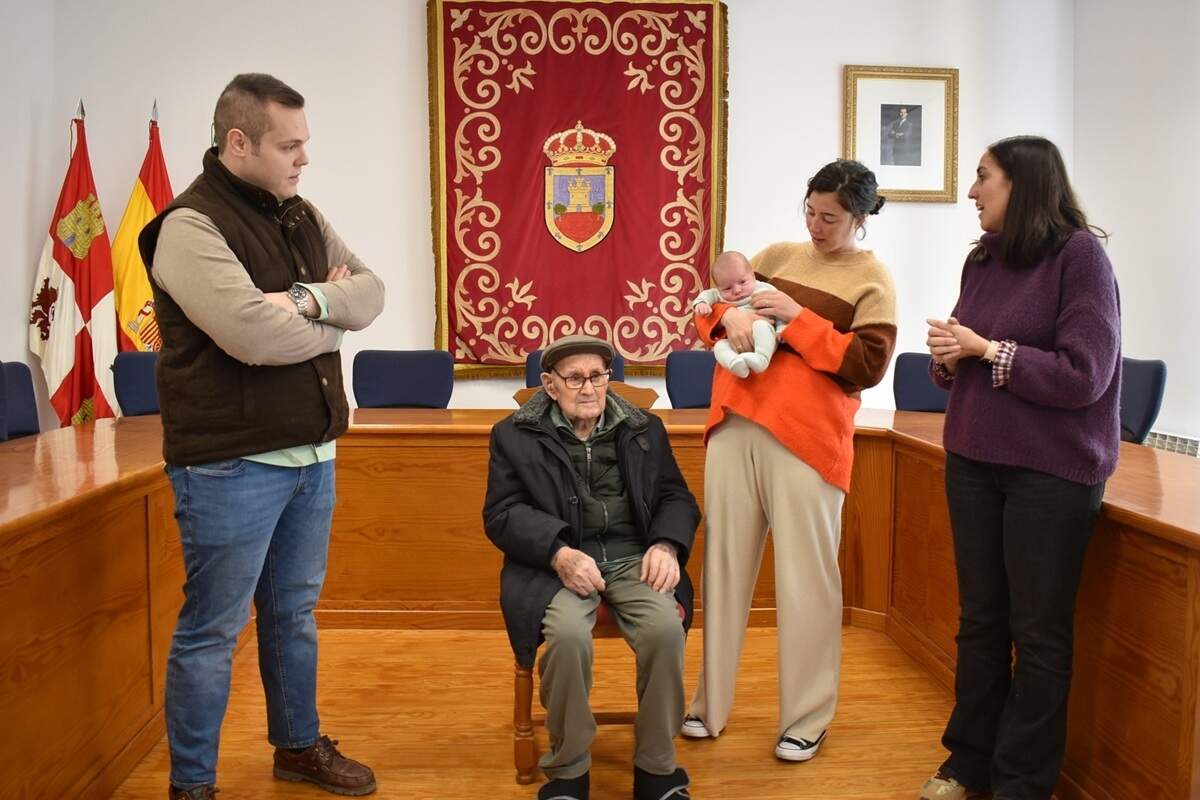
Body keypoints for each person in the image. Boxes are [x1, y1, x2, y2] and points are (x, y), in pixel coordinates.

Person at [138, 73, 385, 800]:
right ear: (239, 142)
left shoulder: (299, 211)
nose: (304, 158)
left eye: (305, 143)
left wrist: (304, 300)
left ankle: (297, 745)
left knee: (292, 617)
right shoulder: (189, 227)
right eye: (289, 145)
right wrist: (331, 318)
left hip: (311, 455)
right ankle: (192, 786)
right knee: (212, 632)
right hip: (230, 466)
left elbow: (371, 294)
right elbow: (253, 337)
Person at [919, 136, 1120, 800]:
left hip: (1051, 474)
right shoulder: (983, 258)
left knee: (1038, 637)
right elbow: (962, 366)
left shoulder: (1081, 256)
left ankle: (1021, 784)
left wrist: (986, 350)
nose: (972, 191)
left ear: (1023, 183)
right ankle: (966, 763)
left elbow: (1085, 375)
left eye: (984, 177)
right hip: (973, 458)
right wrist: (950, 357)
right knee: (980, 622)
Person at [681, 160, 896, 762]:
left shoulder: (873, 278)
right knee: (723, 570)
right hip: (735, 425)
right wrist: (731, 315)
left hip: (809, 442)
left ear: (860, 217)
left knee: (807, 582)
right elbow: (709, 310)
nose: (816, 226)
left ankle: (806, 717)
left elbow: (866, 367)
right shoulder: (774, 256)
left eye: (831, 217)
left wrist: (798, 319)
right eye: (811, 211)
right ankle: (708, 705)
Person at [483, 334, 700, 800]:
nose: (588, 388)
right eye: (575, 378)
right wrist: (559, 553)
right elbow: (502, 513)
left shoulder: (644, 428)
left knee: (665, 631)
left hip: (633, 556)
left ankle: (657, 768)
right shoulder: (513, 435)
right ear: (549, 384)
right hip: (557, 563)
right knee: (567, 638)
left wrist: (665, 544)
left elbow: (675, 497)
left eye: (598, 376)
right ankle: (568, 773)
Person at [692, 250, 785, 378]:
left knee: (760, 326)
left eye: (742, 282)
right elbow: (708, 295)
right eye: (727, 288)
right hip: (735, 343)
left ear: (753, 275)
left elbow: (780, 312)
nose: (737, 290)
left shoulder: (765, 289)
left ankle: (761, 359)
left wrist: (781, 330)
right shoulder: (719, 294)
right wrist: (701, 303)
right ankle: (734, 363)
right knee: (720, 346)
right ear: (718, 288)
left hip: (765, 336)